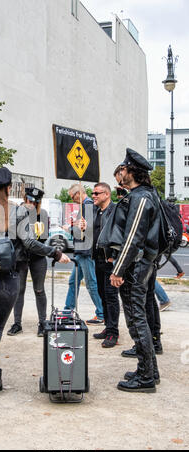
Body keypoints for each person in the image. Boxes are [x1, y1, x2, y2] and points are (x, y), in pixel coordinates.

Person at [0, 167, 70, 396]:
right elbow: (31, 244)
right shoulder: (18, 212)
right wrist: (55, 252)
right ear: (7, 189)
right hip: (8, 277)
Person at [98, 148, 161, 393]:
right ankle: (150, 370)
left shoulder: (141, 198)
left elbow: (133, 238)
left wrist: (118, 270)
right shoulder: (143, 195)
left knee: (136, 319)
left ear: (131, 171)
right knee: (138, 317)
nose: (120, 173)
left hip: (135, 266)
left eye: (122, 169)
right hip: (139, 264)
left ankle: (145, 377)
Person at [7, 187, 50, 337]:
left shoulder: (42, 214)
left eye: (34, 201)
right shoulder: (17, 212)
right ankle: (17, 323)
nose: (30, 203)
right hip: (20, 257)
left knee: (39, 290)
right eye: (28, 200)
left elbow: (43, 238)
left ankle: (43, 322)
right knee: (19, 290)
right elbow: (12, 235)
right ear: (24, 199)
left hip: (37, 257)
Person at [62, 184, 104, 324]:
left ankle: (101, 313)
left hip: (86, 250)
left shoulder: (87, 206)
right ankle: (68, 311)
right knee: (73, 281)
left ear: (79, 193)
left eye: (73, 196)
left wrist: (70, 229)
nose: (72, 199)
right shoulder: (87, 206)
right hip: (82, 250)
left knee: (91, 283)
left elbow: (87, 230)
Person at [90, 182, 120, 347]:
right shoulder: (96, 211)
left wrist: (113, 257)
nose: (94, 196)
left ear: (107, 194)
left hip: (110, 260)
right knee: (102, 294)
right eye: (93, 193)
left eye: (97, 193)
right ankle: (108, 327)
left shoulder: (115, 211)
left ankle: (113, 333)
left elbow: (120, 234)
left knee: (111, 296)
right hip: (98, 259)